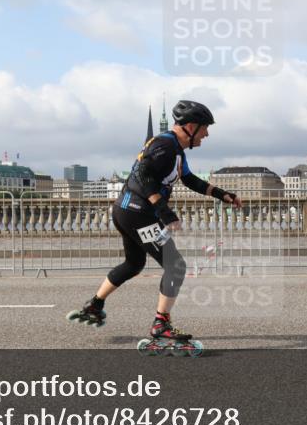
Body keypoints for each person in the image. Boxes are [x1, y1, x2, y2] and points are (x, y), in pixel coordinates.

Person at [69, 100, 242, 345]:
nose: (207, 134)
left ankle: (95, 305)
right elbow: (141, 175)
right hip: (138, 213)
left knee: (133, 264)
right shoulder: (164, 145)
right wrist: (164, 211)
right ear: (191, 126)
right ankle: (161, 325)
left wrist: (223, 195)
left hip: (126, 211)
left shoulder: (176, 150)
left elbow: (190, 180)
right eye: (205, 127)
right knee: (176, 266)